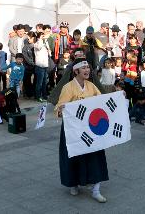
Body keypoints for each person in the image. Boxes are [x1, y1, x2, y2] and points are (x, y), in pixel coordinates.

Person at [55, 58, 108, 203]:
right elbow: (59, 107)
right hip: (73, 129)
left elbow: (103, 101)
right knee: (74, 157)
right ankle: (74, 183)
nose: (87, 70)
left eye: (88, 68)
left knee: (95, 156)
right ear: (76, 71)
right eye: (83, 68)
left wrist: (118, 97)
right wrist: (61, 109)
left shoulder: (91, 86)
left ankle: (96, 189)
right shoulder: (68, 87)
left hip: (91, 128)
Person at [34, 32, 51, 102]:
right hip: (39, 65)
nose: (43, 37)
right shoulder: (36, 44)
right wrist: (41, 40)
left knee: (45, 82)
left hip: (45, 65)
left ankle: (44, 95)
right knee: (39, 83)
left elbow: (50, 54)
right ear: (38, 37)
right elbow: (39, 47)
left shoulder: (45, 43)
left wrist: (47, 46)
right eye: (42, 36)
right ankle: (38, 96)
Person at [22, 32, 36, 99]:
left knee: (36, 80)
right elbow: (26, 57)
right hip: (27, 66)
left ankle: (35, 93)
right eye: (27, 38)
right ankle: (28, 94)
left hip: (37, 66)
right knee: (26, 80)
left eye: (29, 38)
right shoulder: (25, 47)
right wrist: (33, 63)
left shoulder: (37, 45)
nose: (28, 40)